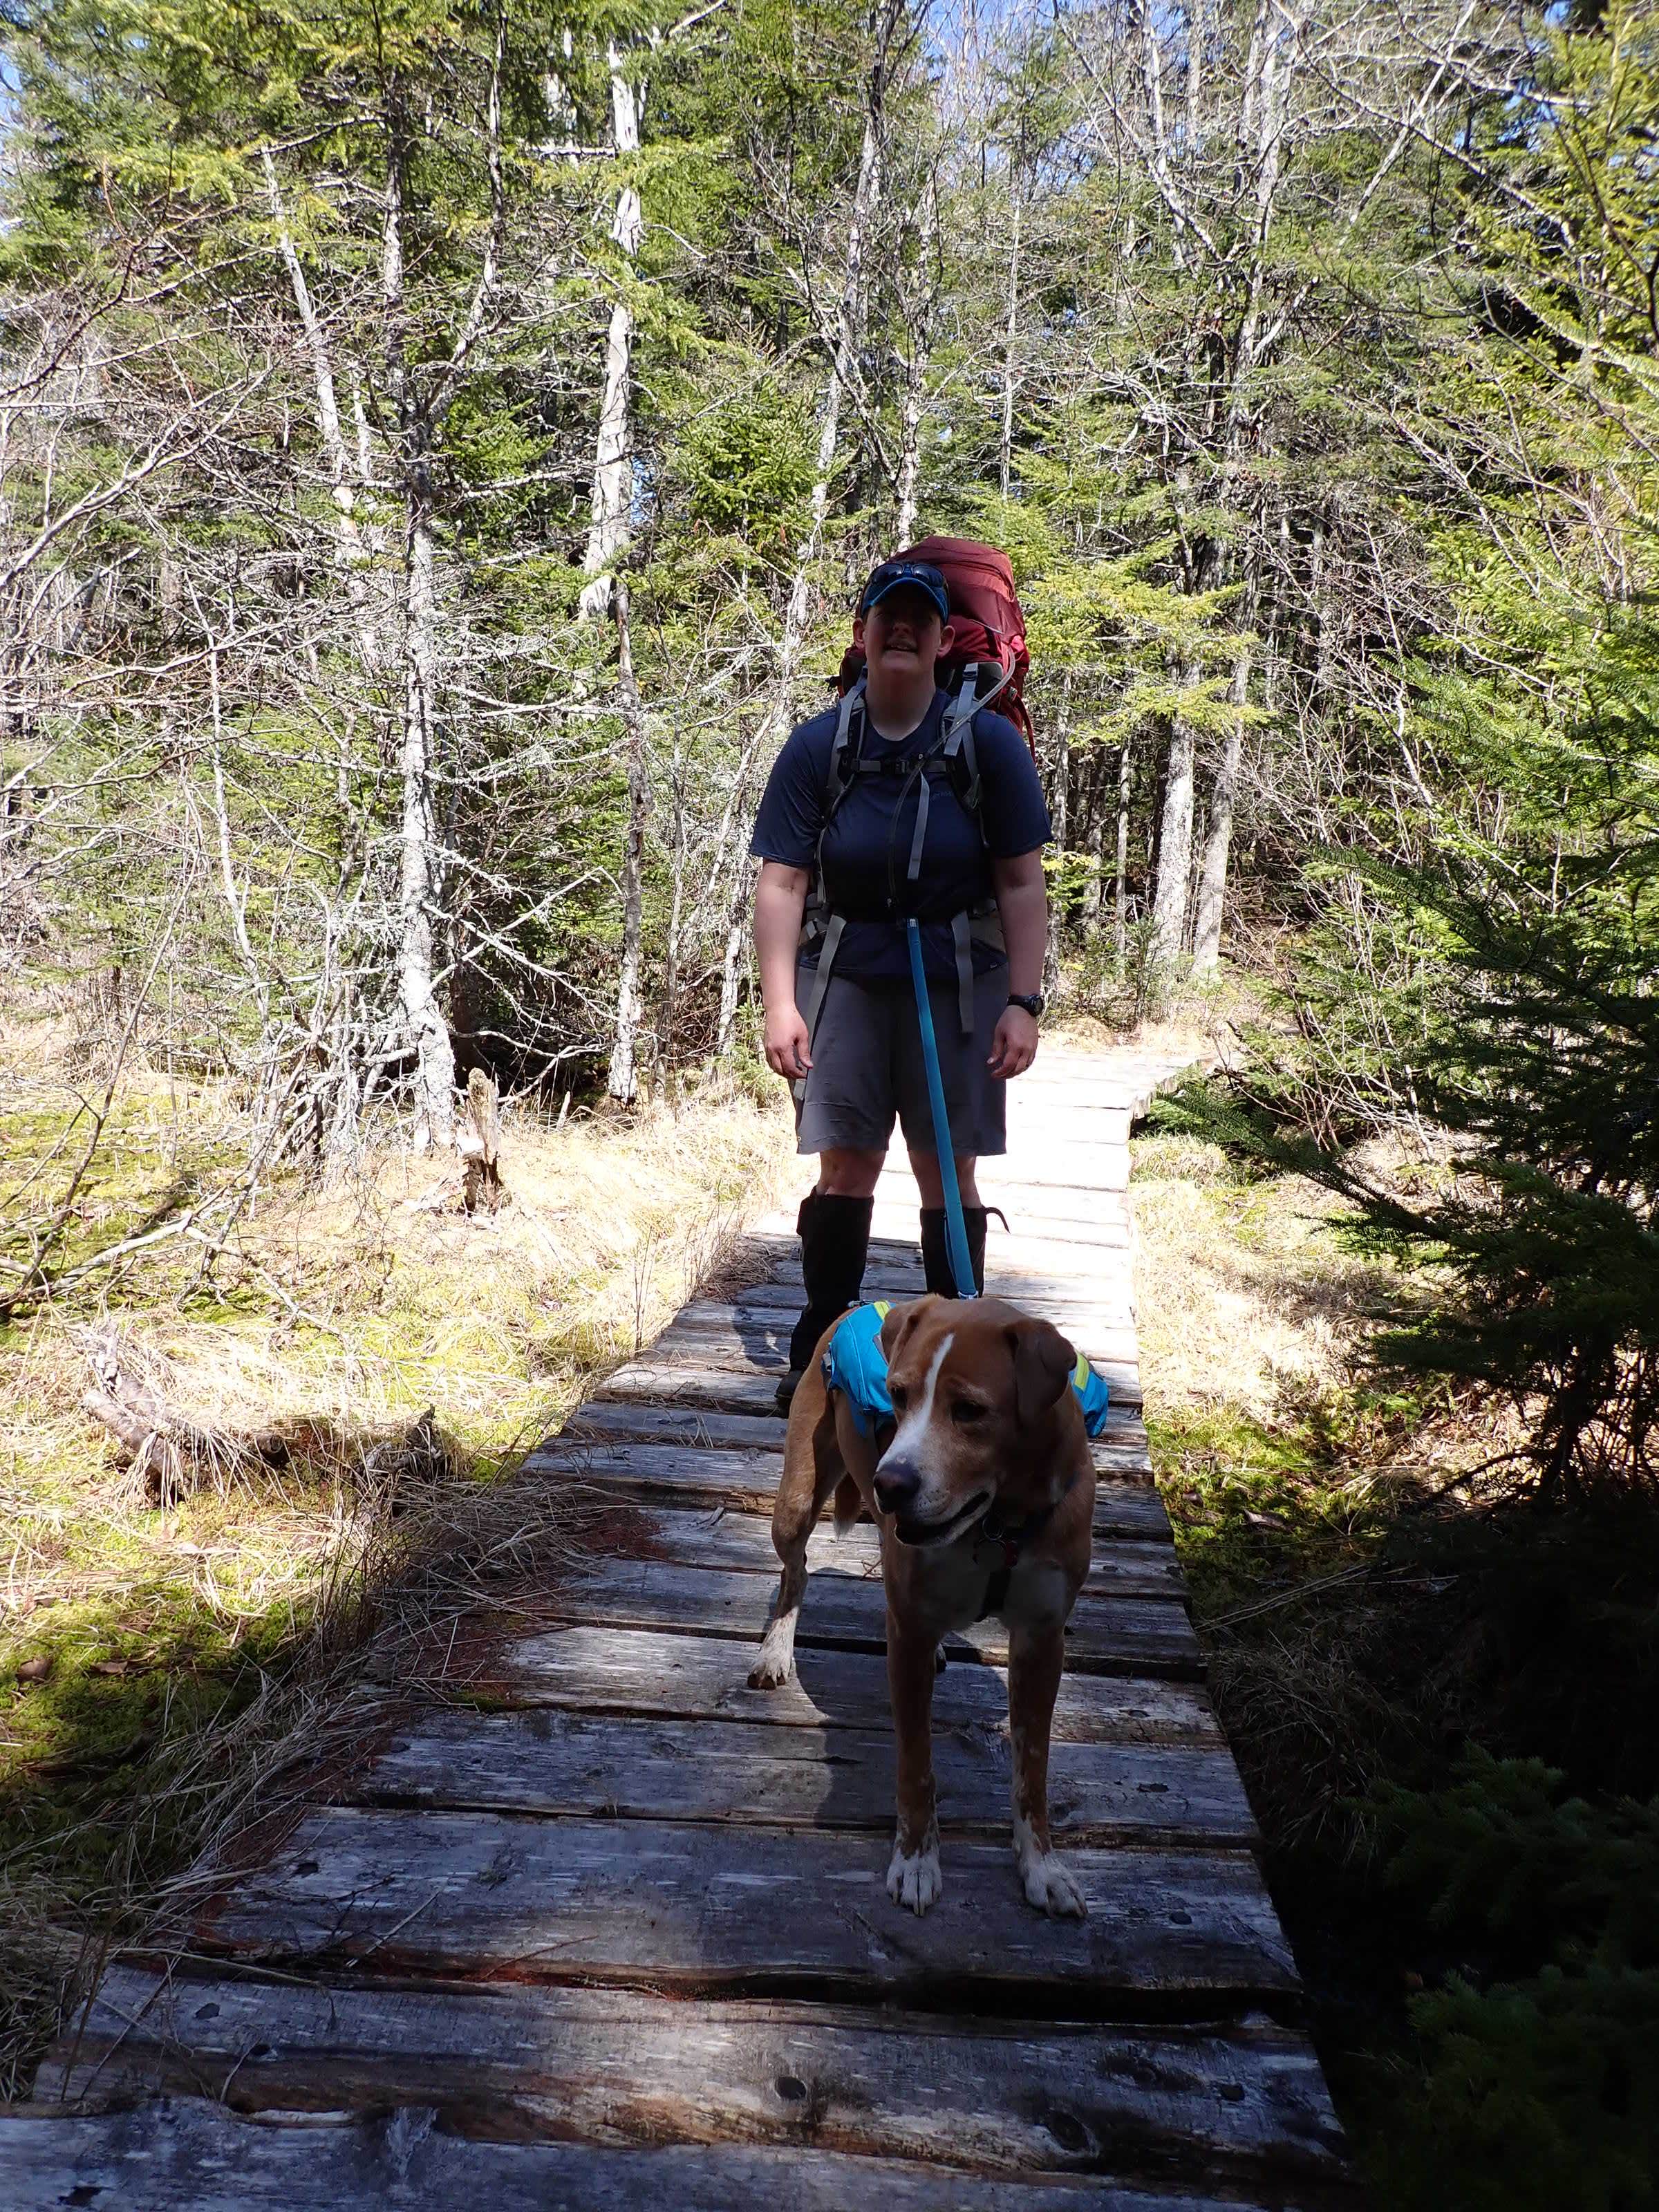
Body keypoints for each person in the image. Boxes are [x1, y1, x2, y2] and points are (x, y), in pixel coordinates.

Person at [750, 554, 1052, 1408]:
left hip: (957, 978)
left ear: (941, 639)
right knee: (845, 1166)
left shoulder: (985, 743)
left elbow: (1021, 880)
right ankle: (823, 1341)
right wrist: (780, 1003)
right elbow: (782, 881)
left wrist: (1024, 1004)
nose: (903, 629)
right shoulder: (820, 745)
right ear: (863, 633)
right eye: (888, 615)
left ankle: (959, 1350)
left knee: (944, 1171)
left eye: (920, 617)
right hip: (846, 974)